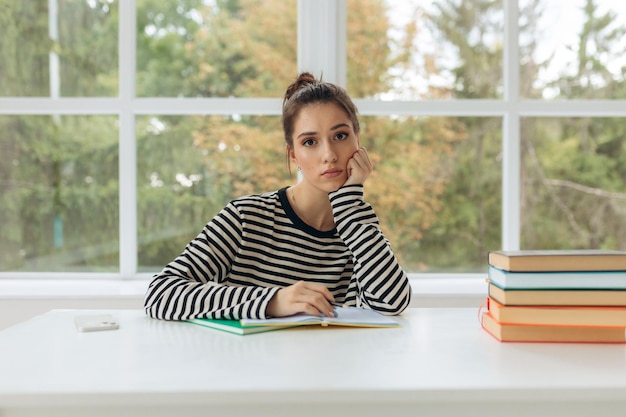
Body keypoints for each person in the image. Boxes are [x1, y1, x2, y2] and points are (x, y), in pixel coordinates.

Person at [144, 72, 412, 321]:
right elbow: (160, 294)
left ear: (357, 140)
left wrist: (350, 201)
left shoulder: (357, 227)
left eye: (340, 136)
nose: (329, 154)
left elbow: (392, 302)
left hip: (332, 369)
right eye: (310, 142)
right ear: (293, 155)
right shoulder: (246, 217)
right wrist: (274, 300)